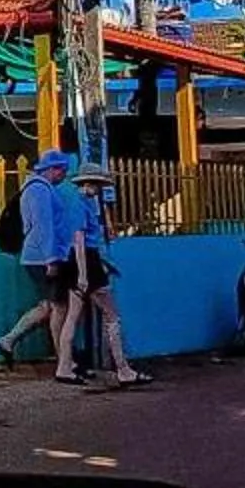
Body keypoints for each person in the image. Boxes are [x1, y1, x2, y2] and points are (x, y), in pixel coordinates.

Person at [0, 150, 78, 373]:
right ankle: (64, 360)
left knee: (49, 305)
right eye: (63, 171)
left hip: (35, 256)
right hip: (43, 257)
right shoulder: (40, 191)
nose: (64, 176)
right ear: (54, 169)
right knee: (59, 307)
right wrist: (52, 259)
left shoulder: (34, 188)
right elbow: (44, 227)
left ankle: (9, 340)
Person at [70, 163, 153, 387]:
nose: (97, 188)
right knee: (111, 315)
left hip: (89, 261)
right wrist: (84, 273)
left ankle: (69, 365)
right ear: (89, 183)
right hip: (88, 262)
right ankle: (122, 368)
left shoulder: (83, 202)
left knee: (72, 317)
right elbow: (79, 240)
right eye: (96, 184)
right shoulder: (80, 205)